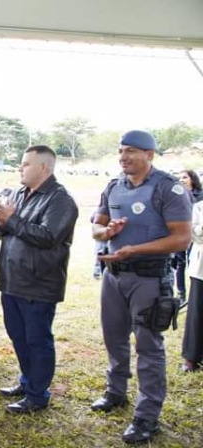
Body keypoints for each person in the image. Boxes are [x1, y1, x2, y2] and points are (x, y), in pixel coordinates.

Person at [91, 130, 192, 444]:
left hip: (149, 278)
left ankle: (147, 416)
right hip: (114, 276)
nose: (123, 157)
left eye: (131, 151)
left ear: (150, 154)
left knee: (148, 346)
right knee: (114, 338)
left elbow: (181, 238)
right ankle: (115, 392)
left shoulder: (168, 188)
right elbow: (96, 226)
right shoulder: (113, 186)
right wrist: (105, 232)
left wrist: (136, 249)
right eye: (121, 151)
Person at [0, 145, 78, 415]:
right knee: (18, 336)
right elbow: (4, 233)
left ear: (44, 168)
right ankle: (28, 382)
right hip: (12, 280)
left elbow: (48, 236)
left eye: (26, 164)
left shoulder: (60, 200)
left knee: (37, 339)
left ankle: (38, 395)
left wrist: (11, 220)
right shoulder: (19, 194)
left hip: (39, 283)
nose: (20, 168)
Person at [174, 169, 203, 305]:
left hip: (196, 236)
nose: (181, 180)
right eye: (179, 178)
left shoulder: (200, 196)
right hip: (180, 234)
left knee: (194, 263)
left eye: (184, 177)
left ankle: (194, 294)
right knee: (180, 263)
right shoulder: (176, 196)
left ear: (192, 179)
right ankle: (181, 293)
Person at [182, 199, 203, 373]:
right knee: (197, 312)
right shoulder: (199, 206)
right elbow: (191, 233)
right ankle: (192, 357)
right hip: (201, 268)